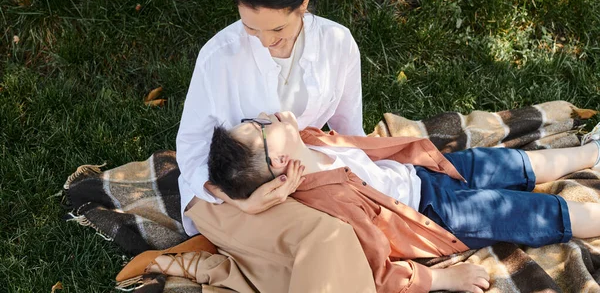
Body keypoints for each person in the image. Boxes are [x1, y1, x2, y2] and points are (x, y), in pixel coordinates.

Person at [201, 111, 600, 293]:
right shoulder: (330, 204)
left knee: (510, 161)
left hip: (422, 172)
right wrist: (441, 279)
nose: (263, 117)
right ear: (279, 161)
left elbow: (223, 184)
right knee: (529, 212)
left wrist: (234, 196)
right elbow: (377, 270)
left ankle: (590, 152)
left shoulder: (307, 140)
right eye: (259, 127)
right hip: (434, 215)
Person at [175, 0, 375, 292]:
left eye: (277, 30)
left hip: (300, 183)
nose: (265, 42)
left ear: (303, 5)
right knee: (328, 238)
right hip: (224, 194)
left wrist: (370, 186)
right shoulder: (218, 57)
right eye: (251, 29)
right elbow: (191, 151)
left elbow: (348, 130)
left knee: (362, 238)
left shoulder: (337, 44)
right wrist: (240, 201)